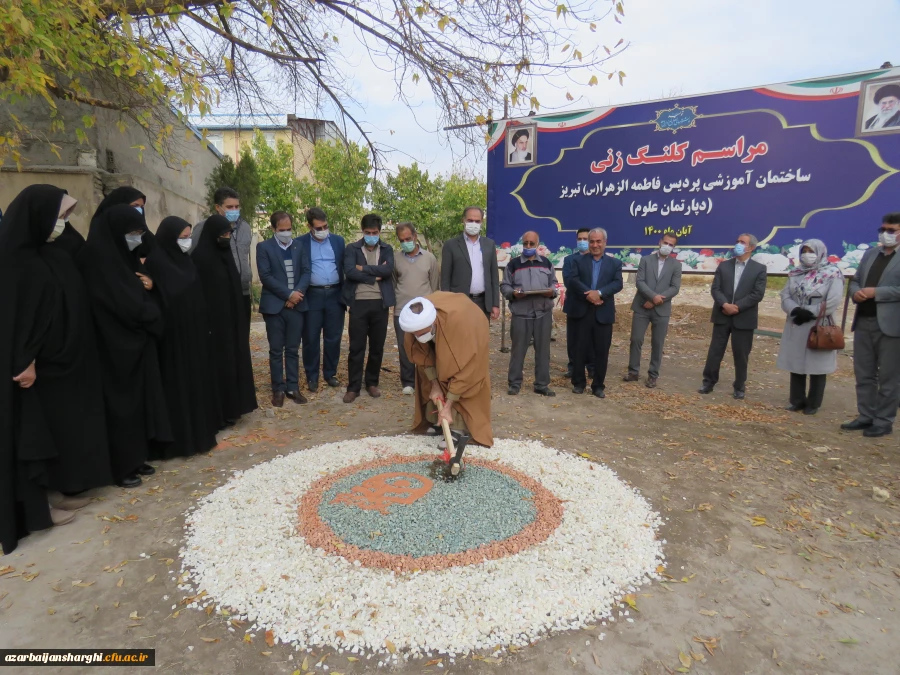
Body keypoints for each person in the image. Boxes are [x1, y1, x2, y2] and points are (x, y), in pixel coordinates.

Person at [1, 185, 114, 553]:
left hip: (47, 363)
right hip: (25, 370)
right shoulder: (13, 260)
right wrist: (25, 359)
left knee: (47, 432)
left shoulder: (39, 254)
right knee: (28, 436)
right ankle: (37, 509)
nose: (63, 224)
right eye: (60, 216)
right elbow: (16, 321)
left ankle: (52, 493)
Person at [78, 204, 171, 488]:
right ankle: (122, 465)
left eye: (140, 232)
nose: (136, 238)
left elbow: (138, 290)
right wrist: (149, 312)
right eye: (132, 232)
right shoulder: (97, 258)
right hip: (114, 346)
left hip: (135, 343)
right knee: (121, 407)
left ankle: (137, 457)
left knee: (139, 403)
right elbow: (119, 301)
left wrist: (150, 291)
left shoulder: (124, 256)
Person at [143, 217, 222, 458]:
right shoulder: (156, 261)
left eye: (189, 237)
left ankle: (200, 435)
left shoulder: (185, 260)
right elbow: (161, 298)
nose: (187, 242)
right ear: (169, 237)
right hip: (172, 339)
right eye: (183, 237)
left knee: (196, 384)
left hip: (195, 335)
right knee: (177, 387)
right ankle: (179, 442)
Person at [399, 292, 493, 474]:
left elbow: (463, 370)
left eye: (422, 333)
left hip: (470, 333)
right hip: (445, 332)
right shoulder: (412, 325)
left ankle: (457, 425)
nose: (418, 336)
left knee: (453, 370)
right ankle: (437, 420)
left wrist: (448, 405)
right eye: (415, 334)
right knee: (436, 374)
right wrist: (434, 384)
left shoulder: (460, 326)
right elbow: (423, 357)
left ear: (433, 323)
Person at [192, 214, 258, 424]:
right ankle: (218, 413)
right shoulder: (200, 259)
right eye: (222, 234)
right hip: (213, 327)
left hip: (232, 323)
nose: (226, 237)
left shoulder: (226, 255)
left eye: (228, 233)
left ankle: (235, 408)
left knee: (234, 363)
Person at [841, 214, 900, 437]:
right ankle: (866, 415)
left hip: (891, 325)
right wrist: (856, 293)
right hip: (863, 320)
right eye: (884, 228)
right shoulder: (870, 253)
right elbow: (855, 280)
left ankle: (884, 421)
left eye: (892, 229)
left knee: (889, 377)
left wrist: (878, 293)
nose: (886, 233)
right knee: (864, 373)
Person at [775, 239, 843, 416]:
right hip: (797, 322)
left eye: (811, 251)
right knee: (796, 363)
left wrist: (810, 312)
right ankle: (796, 400)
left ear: (820, 252)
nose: (807, 254)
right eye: (804, 250)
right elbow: (785, 295)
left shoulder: (832, 273)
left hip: (818, 324)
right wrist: (795, 309)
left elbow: (834, 300)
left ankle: (813, 403)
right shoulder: (796, 273)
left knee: (817, 366)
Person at [698, 233, 768, 399]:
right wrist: (725, 305)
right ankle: (708, 382)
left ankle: (739, 386)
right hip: (722, 315)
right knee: (715, 351)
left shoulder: (759, 269)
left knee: (741, 354)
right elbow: (716, 289)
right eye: (737, 241)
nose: (738, 244)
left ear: (751, 247)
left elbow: (757, 294)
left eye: (742, 242)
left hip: (744, 318)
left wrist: (737, 307)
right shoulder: (724, 266)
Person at [257, 212, 311, 407]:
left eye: (289, 229)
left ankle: (293, 387)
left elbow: (306, 272)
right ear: (273, 229)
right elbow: (266, 276)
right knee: (276, 349)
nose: (286, 233)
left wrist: (296, 294)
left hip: (297, 305)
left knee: (293, 349)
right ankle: (278, 389)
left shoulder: (299, 246)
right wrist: (288, 295)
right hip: (274, 307)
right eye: (282, 230)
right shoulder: (264, 247)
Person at [342, 214, 395, 403]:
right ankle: (353, 387)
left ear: (379, 232)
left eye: (374, 233)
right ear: (362, 231)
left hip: (380, 303)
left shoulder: (387, 249)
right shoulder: (352, 248)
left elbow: (388, 271)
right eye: (367, 232)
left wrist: (363, 269)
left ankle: (372, 382)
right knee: (356, 347)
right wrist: (374, 275)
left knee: (377, 346)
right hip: (358, 302)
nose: (371, 235)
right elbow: (349, 271)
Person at [566, 228, 624, 398]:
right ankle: (578, 383)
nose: (595, 245)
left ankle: (598, 385)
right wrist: (590, 294)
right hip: (582, 310)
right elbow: (573, 280)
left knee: (601, 351)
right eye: (592, 241)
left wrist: (598, 293)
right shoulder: (579, 261)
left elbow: (617, 284)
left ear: (605, 243)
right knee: (579, 349)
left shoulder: (615, 264)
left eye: (598, 241)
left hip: (603, 312)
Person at [500, 230, 558, 396]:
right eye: (525, 243)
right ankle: (514, 383)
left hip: (542, 313)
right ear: (522, 244)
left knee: (543, 351)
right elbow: (504, 286)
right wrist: (513, 293)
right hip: (521, 313)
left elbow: (554, 284)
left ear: (537, 245)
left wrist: (551, 292)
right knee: (518, 350)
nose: (528, 246)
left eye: (532, 244)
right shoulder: (513, 264)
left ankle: (541, 384)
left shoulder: (547, 263)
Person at [298, 207, 347, 392]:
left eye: (325, 226)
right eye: (318, 228)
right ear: (309, 226)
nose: (323, 230)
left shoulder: (338, 241)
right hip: (312, 295)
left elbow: (344, 266)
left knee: (333, 337)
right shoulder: (300, 243)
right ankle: (312, 376)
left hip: (335, 295)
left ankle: (330, 373)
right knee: (310, 337)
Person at [625, 233, 682, 388]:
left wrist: (658, 300)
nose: (667, 246)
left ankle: (653, 375)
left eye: (671, 244)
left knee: (658, 343)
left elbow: (675, 287)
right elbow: (640, 282)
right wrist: (652, 297)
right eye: (665, 242)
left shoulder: (676, 265)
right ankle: (633, 371)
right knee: (636, 339)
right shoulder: (645, 260)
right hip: (642, 307)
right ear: (659, 242)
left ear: (674, 247)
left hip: (661, 309)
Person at [192, 187, 253, 326]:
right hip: (220, 292)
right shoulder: (204, 228)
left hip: (242, 290)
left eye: (237, 206)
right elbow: (194, 255)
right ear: (218, 207)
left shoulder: (245, 228)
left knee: (242, 334)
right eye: (229, 207)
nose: (234, 210)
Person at [392, 222, 440, 395]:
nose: (406, 242)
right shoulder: (395, 259)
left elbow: (434, 285)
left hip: (425, 313)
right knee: (405, 347)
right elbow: (394, 282)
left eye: (408, 238)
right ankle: (408, 382)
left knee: (427, 346)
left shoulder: (429, 258)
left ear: (415, 235)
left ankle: (429, 380)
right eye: (402, 240)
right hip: (402, 311)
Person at [440, 207, 500, 320]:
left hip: (483, 302)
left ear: (482, 222)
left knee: (480, 336)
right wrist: (446, 304)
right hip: (459, 302)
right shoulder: (451, 245)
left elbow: (494, 277)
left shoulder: (489, 244)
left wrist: (495, 304)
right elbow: (445, 278)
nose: (473, 224)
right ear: (463, 220)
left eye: (477, 221)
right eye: (470, 220)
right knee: (460, 335)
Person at [562, 228, 594, 379]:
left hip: (594, 305)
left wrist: (594, 296)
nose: (583, 242)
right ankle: (573, 367)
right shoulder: (569, 260)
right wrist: (588, 294)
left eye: (586, 239)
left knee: (592, 339)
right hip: (575, 304)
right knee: (573, 339)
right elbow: (569, 282)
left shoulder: (597, 259)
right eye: (580, 239)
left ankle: (591, 367)